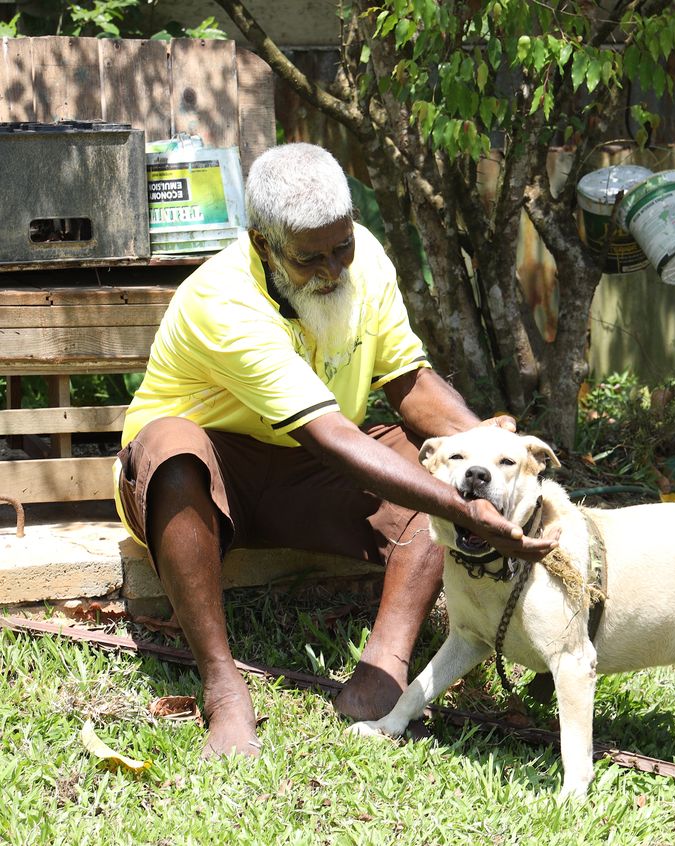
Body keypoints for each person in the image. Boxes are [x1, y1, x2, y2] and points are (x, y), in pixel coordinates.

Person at [114, 142, 555, 758]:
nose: (332, 269)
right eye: (310, 257)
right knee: (172, 450)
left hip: (308, 473)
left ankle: (386, 664)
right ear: (263, 243)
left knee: (432, 460)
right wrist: (462, 509)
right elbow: (331, 435)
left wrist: (487, 452)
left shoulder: (366, 259)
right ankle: (222, 687)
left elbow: (409, 381)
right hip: (207, 480)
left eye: (340, 246)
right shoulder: (223, 300)